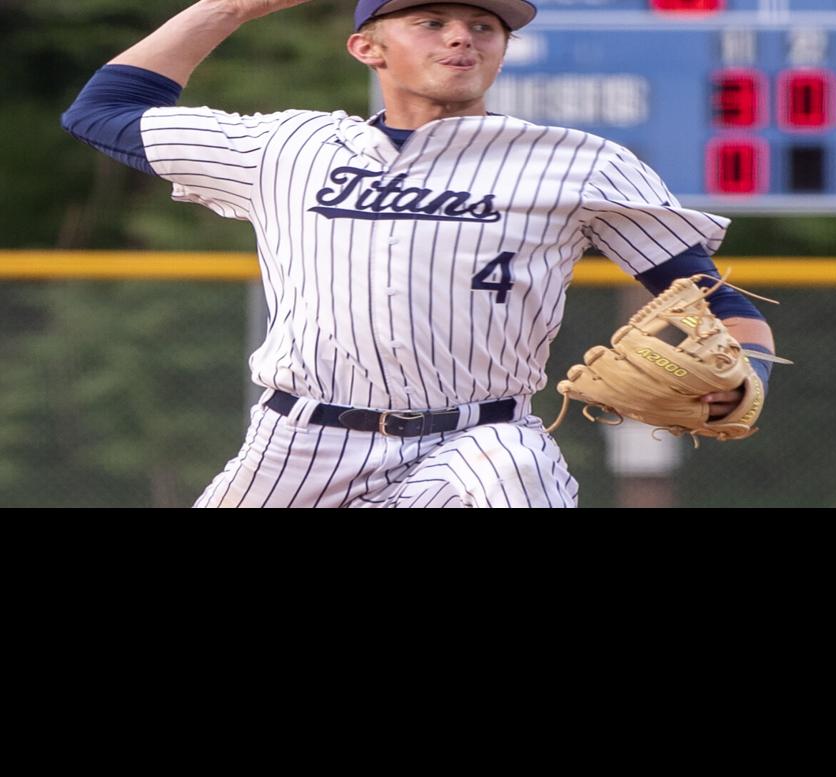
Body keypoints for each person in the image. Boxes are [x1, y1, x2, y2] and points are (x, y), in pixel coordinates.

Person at [61, 0, 778, 508]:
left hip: (481, 439)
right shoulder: (286, 147)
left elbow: (716, 299)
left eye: (484, 26)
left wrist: (749, 374)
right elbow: (104, 110)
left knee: (519, 476)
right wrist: (234, 7)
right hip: (299, 445)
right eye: (430, 21)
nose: (462, 38)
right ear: (367, 48)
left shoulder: (577, 163)